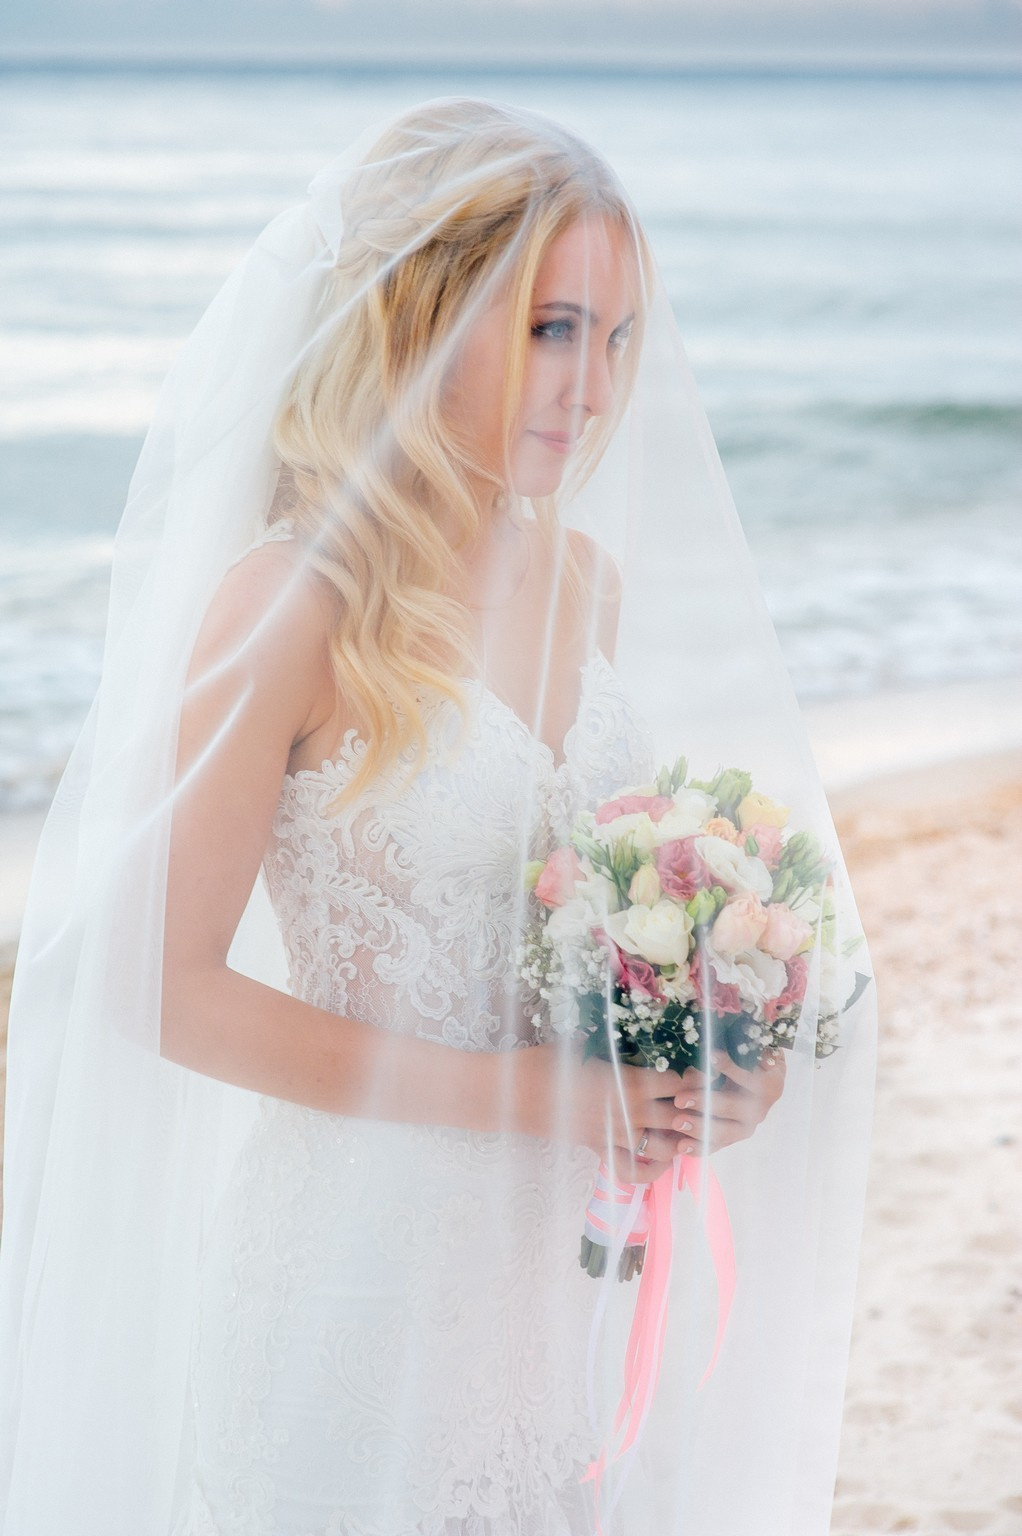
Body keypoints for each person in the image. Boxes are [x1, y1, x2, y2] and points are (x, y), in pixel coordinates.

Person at [0, 100, 874, 1536]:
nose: (588, 387)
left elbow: (572, 939)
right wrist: (537, 1103)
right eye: (547, 328)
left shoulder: (582, 581)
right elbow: (162, 993)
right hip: (360, 1276)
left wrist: (704, 1052)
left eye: (615, 337)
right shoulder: (292, 602)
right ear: (413, 317)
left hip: (560, 1281)